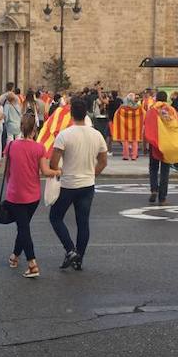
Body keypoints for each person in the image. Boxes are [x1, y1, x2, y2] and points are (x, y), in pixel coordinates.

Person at [48, 97, 108, 271]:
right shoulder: (96, 135)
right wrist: (92, 174)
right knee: (83, 222)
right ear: (86, 113)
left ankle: (70, 249)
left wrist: (58, 170)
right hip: (87, 184)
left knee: (55, 217)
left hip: (68, 183)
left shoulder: (64, 135)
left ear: (71, 114)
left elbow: (53, 162)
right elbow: (103, 161)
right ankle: (79, 258)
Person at [4, 113, 61, 278]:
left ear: (21, 128)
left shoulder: (11, 145)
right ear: (35, 130)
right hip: (33, 195)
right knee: (24, 226)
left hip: (15, 194)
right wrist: (58, 171)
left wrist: (11, 185)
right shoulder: (39, 148)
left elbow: (7, 172)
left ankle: (32, 263)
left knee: (23, 228)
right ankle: (15, 256)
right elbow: (45, 171)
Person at [144, 91, 178, 206]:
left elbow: (147, 126)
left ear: (156, 98)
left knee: (153, 168)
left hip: (156, 143)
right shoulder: (172, 111)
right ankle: (162, 198)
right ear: (166, 99)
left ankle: (154, 189)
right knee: (165, 171)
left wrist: (145, 144)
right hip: (168, 145)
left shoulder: (152, 110)